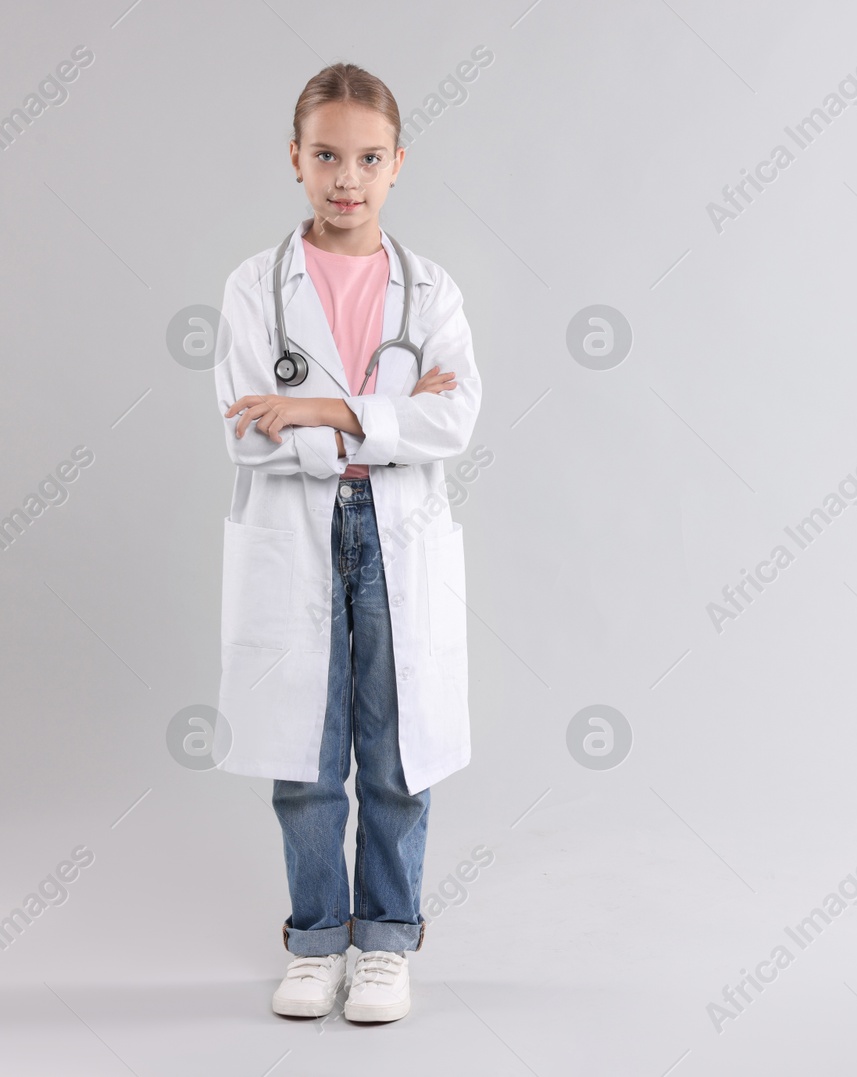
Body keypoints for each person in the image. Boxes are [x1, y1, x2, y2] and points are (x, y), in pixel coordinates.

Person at [212, 62, 483, 1022]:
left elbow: (458, 423)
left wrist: (317, 410)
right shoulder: (256, 288)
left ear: (398, 163)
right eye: (326, 155)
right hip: (301, 533)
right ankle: (317, 937)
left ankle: (386, 942)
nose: (346, 178)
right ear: (295, 159)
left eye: (368, 158)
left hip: (397, 539)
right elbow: (248, 430)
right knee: (307, 749)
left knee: (398, 744)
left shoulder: (431, 289)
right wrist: (384, 424)